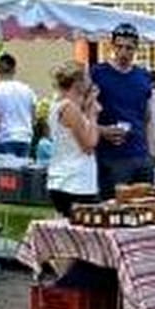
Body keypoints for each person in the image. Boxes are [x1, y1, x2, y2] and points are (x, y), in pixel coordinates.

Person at [91, 24, 155, 197]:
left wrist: (154, 153)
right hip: (111, 156)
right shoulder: (97, 74)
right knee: (115, 209)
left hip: (140, 154)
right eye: (120, 47)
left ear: (136, 49)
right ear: (112, 46)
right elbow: (83, 113)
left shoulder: (143, 77)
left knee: (145, 209)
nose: (124, 52)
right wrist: (101, 130)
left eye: (129, 48)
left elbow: (148, 118)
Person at [46, 61, 101, 217]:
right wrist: (92, 115)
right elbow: (89, 145)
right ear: (78, 83)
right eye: (87, 78)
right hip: (76, 182)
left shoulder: (58, 105)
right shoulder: (70, 109)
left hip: (62, 177)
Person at [0, 53, 38, 158]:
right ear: (14, 69)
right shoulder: (27, 90)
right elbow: (33, 118)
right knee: (22, 172)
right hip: (25, 137)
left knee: (6, 173)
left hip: (4, 138)